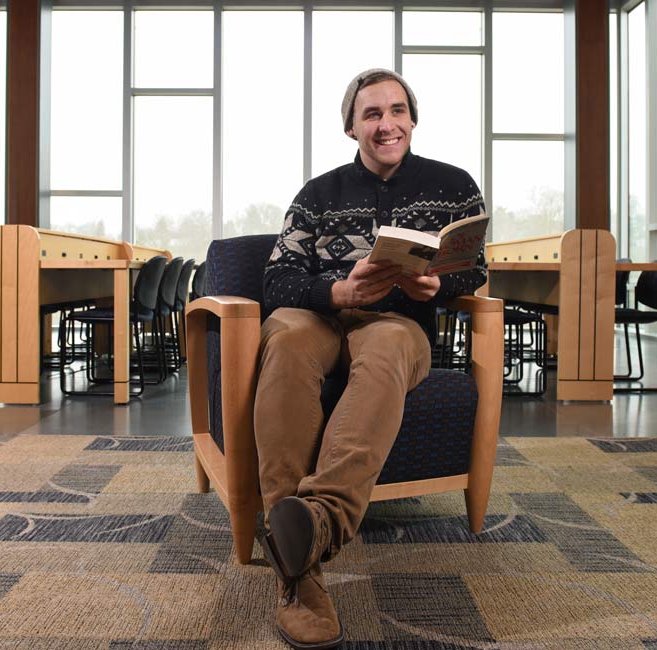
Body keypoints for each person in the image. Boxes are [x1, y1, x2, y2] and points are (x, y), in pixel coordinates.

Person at [255, 68, 488, 650]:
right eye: (372, 114)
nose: (388, 124)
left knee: (385, 346)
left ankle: (310, 534)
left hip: (399, 322)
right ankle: (298, 553)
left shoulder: (454, 186)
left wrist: (436, 285)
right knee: (283, 337)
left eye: (397, 111)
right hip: (320, 316)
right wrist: (337, 292)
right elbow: (277, 279)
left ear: (412, 117)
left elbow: (476, 268)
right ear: (351, 126)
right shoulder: (317, 194)